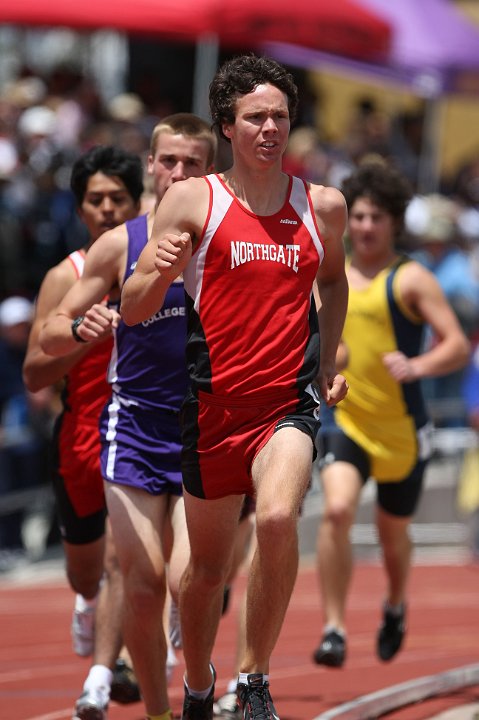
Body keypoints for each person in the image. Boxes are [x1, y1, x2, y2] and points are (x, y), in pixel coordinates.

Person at [120, 53, 349, 720]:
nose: (270, 128)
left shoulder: (322, 206)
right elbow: (134, 308)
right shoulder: (194, 199)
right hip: (211, 411)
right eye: (256, 117)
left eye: (280, 116)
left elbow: (331, 279)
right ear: (228, 125)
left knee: (277, 518)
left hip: (283, 405)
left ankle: (252, 679)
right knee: (204, 575)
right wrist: (156, 271)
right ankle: (197, 682)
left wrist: (329, 353)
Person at [39, 113, 217, 720]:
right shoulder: (121, 243)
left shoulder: (233, 244)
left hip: (208, 431)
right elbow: (49, 331)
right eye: (169, 160)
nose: (179, 173)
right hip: (136, 431)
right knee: (139, 584)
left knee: (189, 582)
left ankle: (199, 684)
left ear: (210, 170)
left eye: (193, 163)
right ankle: (160, 712)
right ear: (151, 164)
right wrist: (77, 327)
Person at [312, 159, 470, 670]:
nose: (364, 226)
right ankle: (333, 627)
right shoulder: (328, 277)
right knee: (336, 512)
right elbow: (312, 340)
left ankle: (396, 604)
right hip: (346, 419)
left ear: (393, 222)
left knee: (391, 532)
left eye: (376, 217)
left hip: (402, 429)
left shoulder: (411, 279)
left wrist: (417, 363)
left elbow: (458, 346)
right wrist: (326, 359)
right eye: (357, 216)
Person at [22, 145, 144, 719]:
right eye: (95, 200)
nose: (107, 209)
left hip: (141, 436)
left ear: (136, 202)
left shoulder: (156, 266)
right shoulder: (62, 278)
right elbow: (33, 373)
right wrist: (80, 336)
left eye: (118, 198)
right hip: (79, 440)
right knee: (87, 569)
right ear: (80, 210)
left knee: (131, 560)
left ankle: (104, 671)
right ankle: (87, 599)